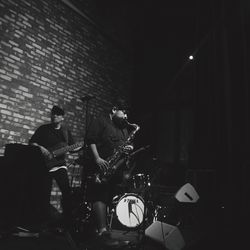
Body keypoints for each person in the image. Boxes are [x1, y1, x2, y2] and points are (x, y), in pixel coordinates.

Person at [83, 99, 135, 242]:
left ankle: (101, 228)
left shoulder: (123, 127)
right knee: (99, 195)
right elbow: (90, 140)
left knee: (108, 196)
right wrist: (97, 158)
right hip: (101, 165)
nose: (125, 116)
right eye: (123, 112)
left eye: (126, 114)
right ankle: (102, 230)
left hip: (115, 167)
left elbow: (126, 143)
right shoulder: (100, 121)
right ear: (113, 110)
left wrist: (129, 148)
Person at [29, 105, 81, 230]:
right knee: (43, 193)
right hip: (44, 165)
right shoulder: (43, 129)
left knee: (66, 192)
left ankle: (67, 220)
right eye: (53, 114)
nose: (54, 116)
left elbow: (73, 147)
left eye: (57, 114)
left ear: (62, 118)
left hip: (59, 165)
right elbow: (32, 142)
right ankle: (40, 220)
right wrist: (41, 149)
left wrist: (81, 146)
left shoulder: (66, 132)